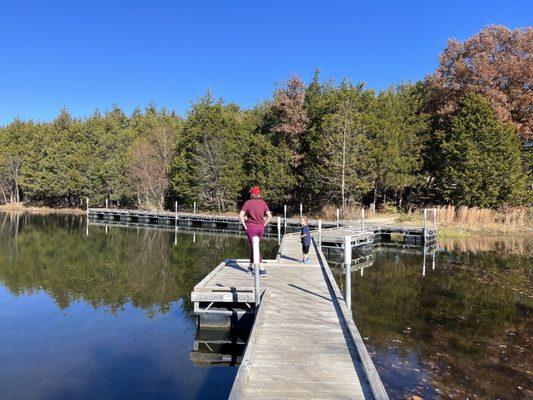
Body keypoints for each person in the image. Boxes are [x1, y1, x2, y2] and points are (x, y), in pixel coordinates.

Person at [239, 186, 272, 276]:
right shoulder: (263, 203)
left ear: (252, 194)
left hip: (251, 228)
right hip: (261, 228)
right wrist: (264, 224)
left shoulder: (248, 203)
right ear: (259, 194)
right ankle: (250, 267)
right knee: (255, 247)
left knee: (255, 248)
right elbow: (269, 216)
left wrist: (245, 225)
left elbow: (241, 215)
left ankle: (262, 269)